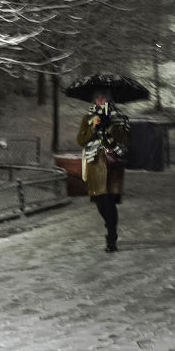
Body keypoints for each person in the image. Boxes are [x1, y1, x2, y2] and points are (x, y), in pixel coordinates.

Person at [76, 89, 130, 252]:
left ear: (109, 99)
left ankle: (111, 237)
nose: (100, 100)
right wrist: (93, 126)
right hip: (95, 163)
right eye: (97, 97)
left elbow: (126, 140)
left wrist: (111, 127)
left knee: (109, 201)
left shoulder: (120, 118)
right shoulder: (88, 118)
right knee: (99, 202)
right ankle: (110, 223)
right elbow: (81, 140)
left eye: (103, 97)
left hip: (112, 164)